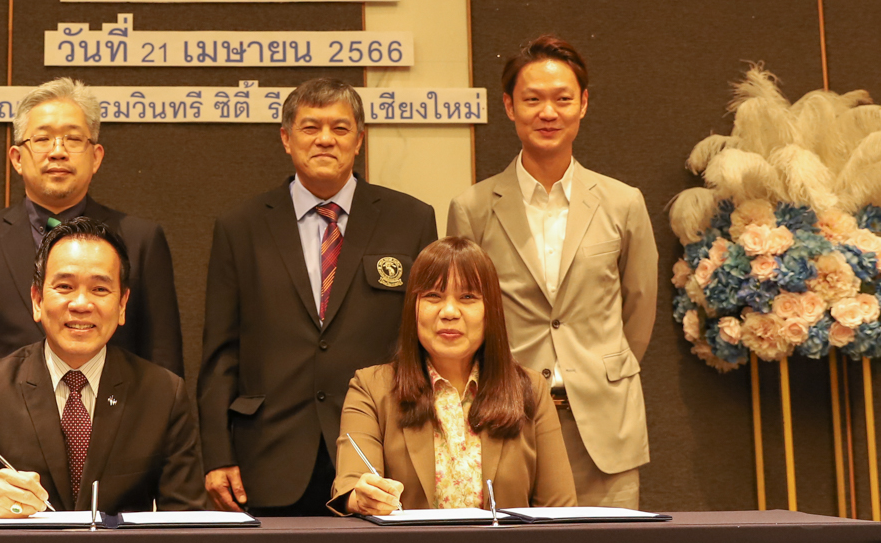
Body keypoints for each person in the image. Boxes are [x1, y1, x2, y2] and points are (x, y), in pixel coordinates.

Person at [198, 77, 439, 515]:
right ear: (286, 138)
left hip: (382, 453)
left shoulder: (411, 220)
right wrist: (216, 455)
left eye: (340, 128)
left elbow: (426, 343)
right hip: (268, 457)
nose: (325, 139)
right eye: (310, 127)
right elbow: (220, 353)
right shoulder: (241, 227)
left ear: (359, 140)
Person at [446, 35, 657, 507]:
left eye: (562, 99)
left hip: (604, 424)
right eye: (532, 100)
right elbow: (465, 317)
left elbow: (639, 308)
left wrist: (600, 369)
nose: (548, 113)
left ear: (583, 104)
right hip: (506, 419)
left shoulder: (623, 202)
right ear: (509, 106)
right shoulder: (472, 208)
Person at [0, 217, 205, 518]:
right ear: (37, 300)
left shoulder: (163, 394)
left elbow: (190, 520)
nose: (81, 304)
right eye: (65, 286)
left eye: (100, 289)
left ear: (122, 304)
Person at [0, 78, 183, 428]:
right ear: (17, 158)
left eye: (73, 139)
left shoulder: (140, 240)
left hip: (114, 439)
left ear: (96, 156)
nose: (57, 151)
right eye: (42, 139)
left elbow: (163, 363)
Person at [334, 237, 576, 514]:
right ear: (413, 307)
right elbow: (351, 486)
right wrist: (362, 497)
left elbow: (560, 511)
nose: (449, 312)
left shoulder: (531, 389)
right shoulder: (370, 388)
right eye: (433, 296)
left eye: (468, 297)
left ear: (491, 310)